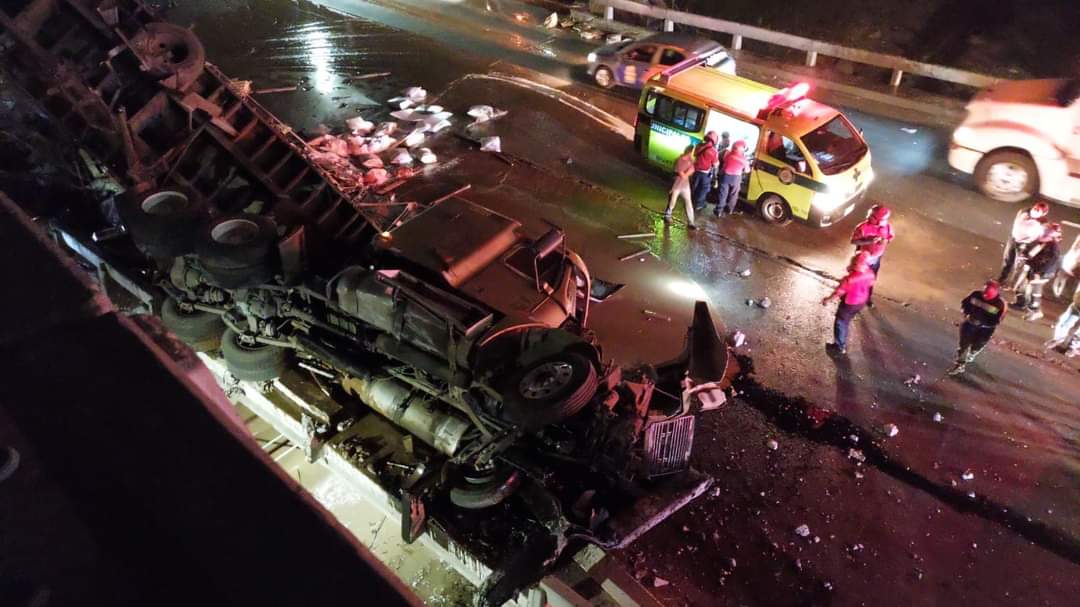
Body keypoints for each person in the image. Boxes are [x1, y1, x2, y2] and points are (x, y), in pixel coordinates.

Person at [821, 251, 876, 356]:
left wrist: (827, 300)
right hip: (861, 302)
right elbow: (870, 284)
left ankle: (839, 346)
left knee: (840, 323)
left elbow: (839, 292)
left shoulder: (850, 279)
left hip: (849, 303)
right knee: (846, 321)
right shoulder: (870, 273)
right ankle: (841, 341)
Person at [948, 280, 1007, 375]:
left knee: (978, 344)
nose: (984, 297)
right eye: (984, 294)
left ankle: (972, 352)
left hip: (985, 329)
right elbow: (965, 303)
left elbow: (998, 320)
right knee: (964, 344)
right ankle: (960, 364)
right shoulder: (976, 295)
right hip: (970, 323)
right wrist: (966, 313)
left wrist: (983, 323)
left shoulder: (1000, 304)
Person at [1014, 222, 1062, 321]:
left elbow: (1050, 263)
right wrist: (1025, 256)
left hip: (1042, 274)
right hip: (1034, 269)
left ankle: (1036, 311)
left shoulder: (1053, 248)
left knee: (1034, 292)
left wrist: (1039, 274)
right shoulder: (1044, 242)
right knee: (1021, 287)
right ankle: (1021, 303)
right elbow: (1034, 252)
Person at [849, 204, 895, 308]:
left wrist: (885, 241)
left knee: (870, 280)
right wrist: (868, 241)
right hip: (862, 260)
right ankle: (850, 298)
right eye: (870, 214)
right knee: (856, 279)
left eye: (872, 216)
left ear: (880, 220)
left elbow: (890, 238)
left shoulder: (887, 227)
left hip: (876, 259)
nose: (868, 217)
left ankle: (867, 298)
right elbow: (853, 241)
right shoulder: (862, 227)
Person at [998, 200, 1049, 283]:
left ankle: (1012, 283)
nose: (1035, 210)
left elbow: (1040, 237)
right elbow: (1017, 223)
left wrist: (1028, 245)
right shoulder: (1024, 211)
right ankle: (1002, 278)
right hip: (1014, 238)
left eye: (1038, 210)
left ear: (1043, 214)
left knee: (1018, 265)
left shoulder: (1042, 222)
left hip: (1025, 245)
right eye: (1035, 208)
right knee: (1008, 259)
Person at [664, 145, 697, 229]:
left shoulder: (690, 160)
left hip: (685, 184)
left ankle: (691, 222)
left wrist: (687, 174)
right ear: (690, 152)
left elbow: (692, 169)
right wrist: (687, 173)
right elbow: (681, 173)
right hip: (677, 183)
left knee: (688, 202)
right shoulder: (680, 160)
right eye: (693, 152)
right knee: (672, 200)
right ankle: (668, 215)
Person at [715, 139, 751, 217]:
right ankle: (729, 209)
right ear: (742, 149)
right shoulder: (743, 159)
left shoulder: (728, 154)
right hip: (736, 178)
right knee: (734, 194)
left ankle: (719, 211)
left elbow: (724, 161)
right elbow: (747, 170)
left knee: (723, 193)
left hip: (725, 175)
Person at [1045, 281, 1080, 358]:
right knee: (1063, 321)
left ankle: (1073, 347)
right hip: (1076, 303)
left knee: (1077, 329)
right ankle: (1058, 339)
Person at [691, 131, 720, 212]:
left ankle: (690, 201)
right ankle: (698, 204)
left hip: (695, 170)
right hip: (705, 173)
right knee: (704, 189)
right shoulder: (713, 151)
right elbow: (715, 164)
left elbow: (694, 155)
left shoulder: (699, 145)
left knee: (694, 186)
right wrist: (715, 177)